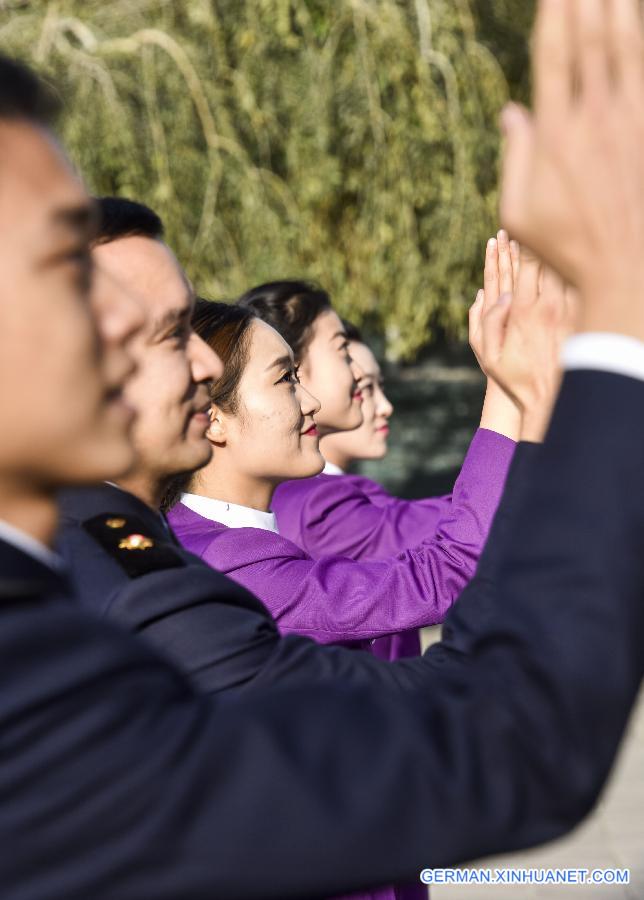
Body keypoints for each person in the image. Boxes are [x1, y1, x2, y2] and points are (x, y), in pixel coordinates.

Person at [3, 0, 644, 891]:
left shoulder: (86, 570)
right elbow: (489, 728)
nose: (196, 359)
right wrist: (609, 335)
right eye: (62, 273)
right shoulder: (126, 599)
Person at [164, 287, 523, 659]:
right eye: (285, 379)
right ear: (213, 419)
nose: (311, 402)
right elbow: (447, 569)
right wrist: (508, 390)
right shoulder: (232, 561)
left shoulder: (188, 537)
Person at [237, 252, 522, 561]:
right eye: (342, 349)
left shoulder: (310, 495)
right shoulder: (317, 506)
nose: (357, 372)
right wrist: (510, 384)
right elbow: (449, 556)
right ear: (294, 368)